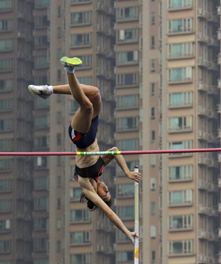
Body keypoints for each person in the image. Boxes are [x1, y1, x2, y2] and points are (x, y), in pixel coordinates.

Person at [29, 56, 141, 243]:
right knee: (95, 93)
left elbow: (110, 213)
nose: (106, 189)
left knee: (87, 106)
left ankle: (69, 70)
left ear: (97, 196)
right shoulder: (99, 169)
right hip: (91, 130)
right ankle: (47, 90)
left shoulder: (87, 186)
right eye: (108, 191)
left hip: (80, 137)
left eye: (105, 193)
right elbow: (114, 151)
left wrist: (127, 233)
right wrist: (128, 173)